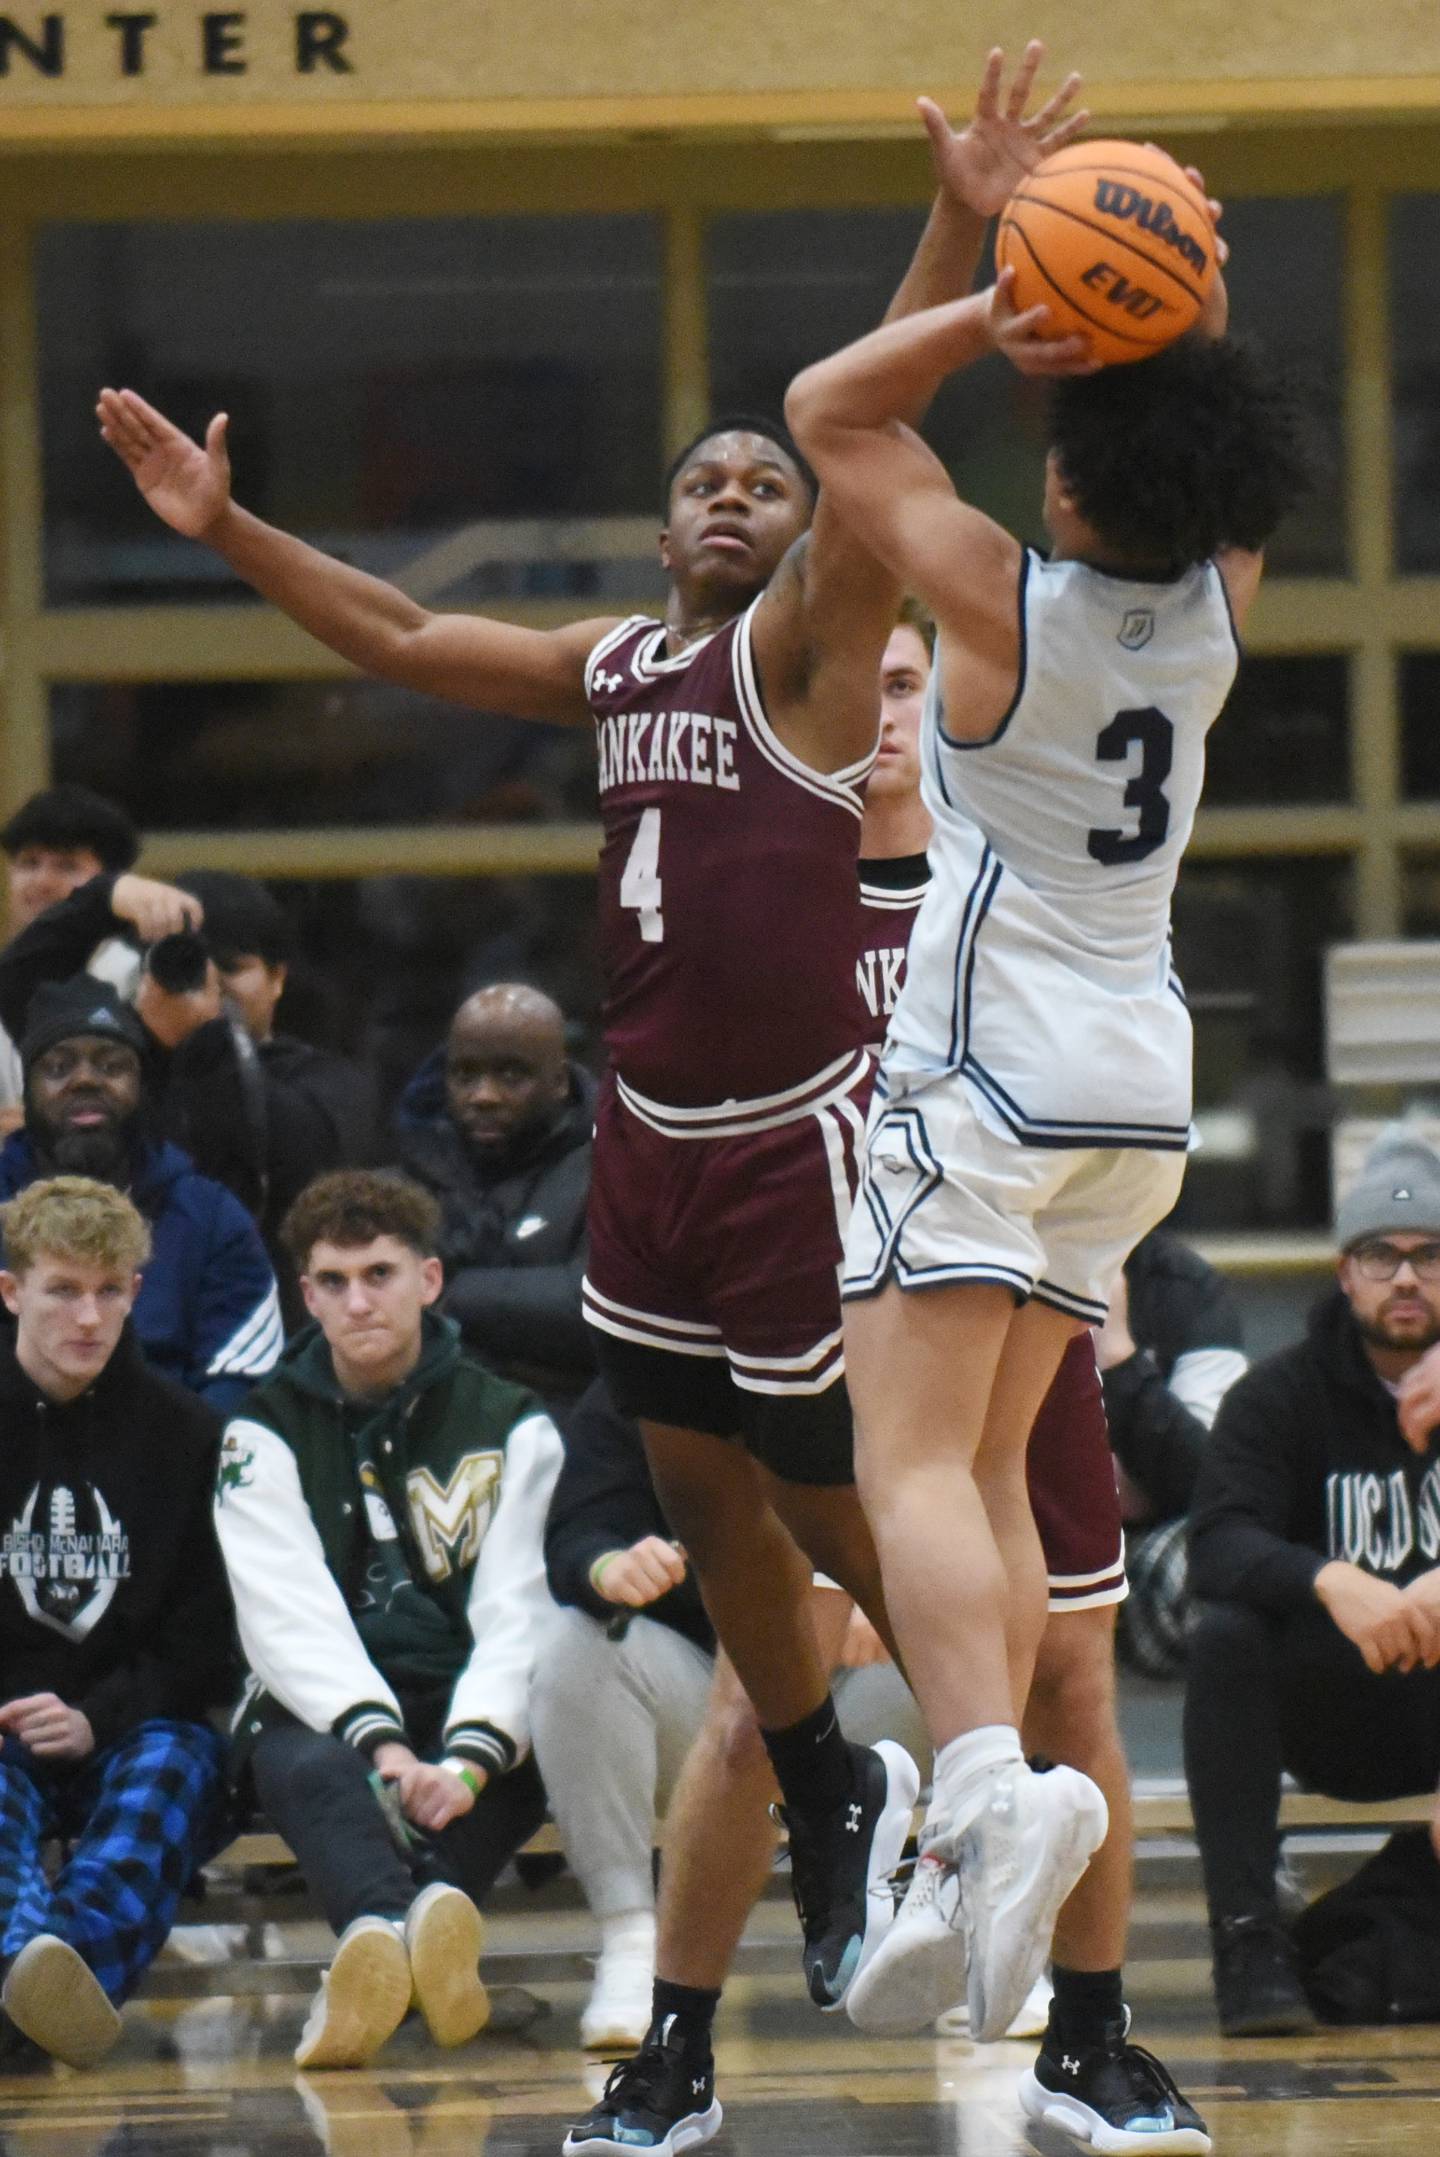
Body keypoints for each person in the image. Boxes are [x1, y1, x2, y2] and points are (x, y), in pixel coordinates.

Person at [99, 49, 1084, 2157]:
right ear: (660, 532)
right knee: (702, 1489)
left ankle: (939, 1787)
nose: (743, 494)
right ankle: (835, 1782)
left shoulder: (821, 636)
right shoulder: (618, 669)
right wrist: (226, 526)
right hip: (647, 1138)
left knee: (831, 1502)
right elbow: (387, 624)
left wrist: (965, 226)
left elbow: (869, 430)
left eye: (764, 478)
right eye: (707, 483)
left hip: (800, 1133)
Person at [785, 153, 1313, 2066]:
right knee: (1000, 1468)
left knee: (908, 1463)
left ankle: (988, 1786)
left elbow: (828, 414)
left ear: (1077, 480)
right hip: (1137, 1083)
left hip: (985, 1059)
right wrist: (1175, 303)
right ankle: (996, 1785)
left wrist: (993, 308)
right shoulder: (1219, 612)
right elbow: (1219, 450)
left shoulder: (1008, 605)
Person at [629, 600, 1209, 2152]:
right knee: (759, 1704)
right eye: (865, 682)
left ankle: (1087, 2045)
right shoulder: (773, 898)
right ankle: (672, 2055)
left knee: (1073, 1686)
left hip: (1015, 1332)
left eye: (914, 682)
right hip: (827, 1353)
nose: (887, 709)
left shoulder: (1005, 886)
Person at [212, 1169, 563, 2070]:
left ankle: (379, 1960)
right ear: (307, 1296)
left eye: (380, 1274)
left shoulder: (514, 1423)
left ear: (430, 1280)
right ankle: (398, 1929)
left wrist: (469, 1757)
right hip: (323, 1707)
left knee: (535, 1742)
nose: (358, 1300)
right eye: (334, 1281)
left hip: (469, 1697)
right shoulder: (261, 1432)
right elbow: (285, 1615)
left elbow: (517, 1613)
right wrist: (384, 1746)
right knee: (302, 1762)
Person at [533, 1376, 926, 2052]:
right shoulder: (647, 1377)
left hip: (858, 1695)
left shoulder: (881, 1361)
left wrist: (890, 1590)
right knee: (575, 1648)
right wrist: (608, 1566)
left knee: (958, 1642)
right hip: (701, 1701)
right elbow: (577, 1529)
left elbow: (953, 1517)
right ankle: (633, 1938)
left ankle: (958, 1917)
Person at [1185, 1127, 1440, 2036]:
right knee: (1227, 1634)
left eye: (1428, 1256)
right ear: (1344, 1273)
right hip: (1332, 1708)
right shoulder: (1278, 1395)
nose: (1405, 1277)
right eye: (1381, 1254)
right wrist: (1335, 1578)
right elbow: (1215, 1540)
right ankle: (1248, 1941)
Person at [0, 1176, 231, 2067]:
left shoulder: (194, 1434)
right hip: (5, 1716)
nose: (88, 1317)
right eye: (62, 1289)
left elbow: (206, 1635)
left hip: (136, 1720)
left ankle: (41, 1980)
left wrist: (102, 1713)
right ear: (12, 1290)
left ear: (137, 1292)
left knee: (176, 1769)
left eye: (109, 1290)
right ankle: (33, 1993)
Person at [0, 864, 377, 1298]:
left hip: (258, 1312)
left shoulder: (323, 1080)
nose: (210, 987)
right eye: (193, 967)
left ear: (277, 979)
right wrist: (105, 898)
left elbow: (303, 1162)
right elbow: (23, 987)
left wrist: (203, 1040)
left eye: (231, 968)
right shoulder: (116, 1077)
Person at [0, 978, 281, 1413]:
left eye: (111, 1066)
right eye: (58, 1067)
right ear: (27, 1095)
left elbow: (243, 1380)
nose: (85, 1081)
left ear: (144, 1086)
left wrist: (163, 1463)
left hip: (173, 1464)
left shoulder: (212, 1217)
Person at [398, 983, 595, 1409]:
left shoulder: (611, 1165)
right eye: (465, 1076)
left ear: (559, 1080)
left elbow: (597, 1307)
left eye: (511, 1076)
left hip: (568, 1425)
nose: (483, 1096)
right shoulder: (416, 1163)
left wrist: (452, 1294)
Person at [1097, 1230, 1248, 1678]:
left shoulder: (1185, 1284)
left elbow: (1211, 1481)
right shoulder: (988, 1259)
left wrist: (1117, 1355)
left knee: (1223, 1584)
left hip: (1139, 1547)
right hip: (1005, 1534)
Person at [0, 786, 141, 1133]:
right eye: (29, 863)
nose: (42, 882)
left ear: (111, 883)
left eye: (67, 865)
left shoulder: (136, 973)